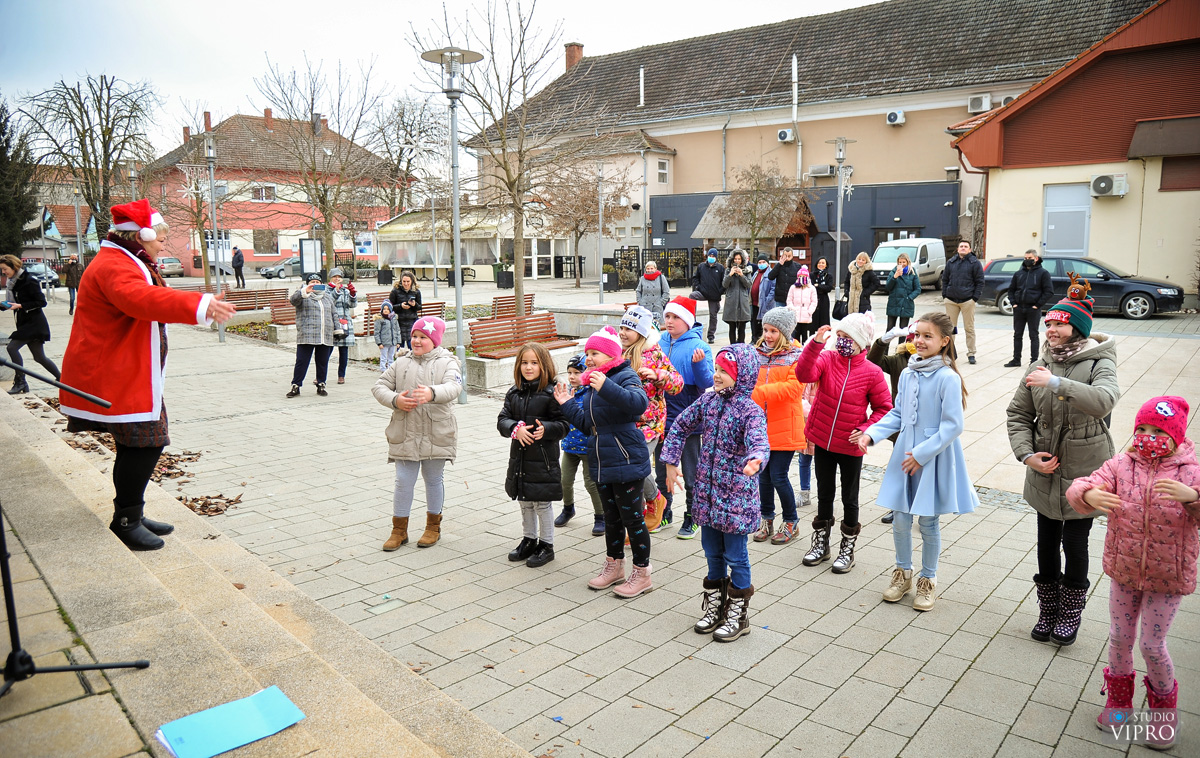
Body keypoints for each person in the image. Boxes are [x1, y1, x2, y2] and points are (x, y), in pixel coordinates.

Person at [58, 199, 236, 550]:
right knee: (146, 443)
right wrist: (199, 305)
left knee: (137, 443)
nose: (162, 244)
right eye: (158, 238)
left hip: (127, 371)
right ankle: (125, 519)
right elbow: (140, 299)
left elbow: (149, 296)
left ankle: (132, 512)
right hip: (118, 373)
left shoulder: (125, 258)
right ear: (140, 236)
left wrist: (195, 305)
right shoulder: (114, 264)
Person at [1066, 396, 1199, 749]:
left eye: (1157, 430)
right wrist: (1089, 495)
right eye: (1141, 428)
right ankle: (1119, 707)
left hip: (1167, 578)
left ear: (1175, 435)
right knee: (1120, 638)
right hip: (1124, 571)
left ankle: (1162, 718)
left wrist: (1193, 497)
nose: (1146, 436)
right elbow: (1082, 484)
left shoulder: (1190, 469)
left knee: (1152, 645)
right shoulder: (1122, 464)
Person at [1006, 296, 1118, 646]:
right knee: (1046, 541)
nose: (1051, 330)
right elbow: (1018, 414)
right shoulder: (1039, 363)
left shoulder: (1100, 360)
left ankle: (1070, 612)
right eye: (1049, 324)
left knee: (1075, 541)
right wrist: (1027, 455)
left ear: (1077, 328)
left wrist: (1056, 384)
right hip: (1045, 467)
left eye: (1059, 324)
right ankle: (1048, 608)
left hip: (1086, 467)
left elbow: (1104, 400)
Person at [860, 313, 979, 612]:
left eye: (928, 336)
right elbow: (898, 414)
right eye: (916, 335)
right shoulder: (909, 372)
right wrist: (870, 434)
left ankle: (928, 579)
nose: (920, 341)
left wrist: (922, 455)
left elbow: (953, 425)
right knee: (900, 517)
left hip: (932, 457)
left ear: (944, 341)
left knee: (927, 520)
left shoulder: (947, 378)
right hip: (905, 455)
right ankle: (902, 573)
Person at [663, 342, 769, 641]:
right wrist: (671, 461)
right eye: (717, 369)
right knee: (711, 551)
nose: (717, 376)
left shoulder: (750, 411)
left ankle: (738, 612)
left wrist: (756, 459)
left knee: (736, 556)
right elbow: (680, 425)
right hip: (707, 498)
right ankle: (715, 604)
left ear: (744, 375)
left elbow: (759, 441)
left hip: (736, 500)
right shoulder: (708, 401)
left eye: (725, 371)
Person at [554, 327, 654, 597]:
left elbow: (638, 404)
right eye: (587, 353)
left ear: (610, 355)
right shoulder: (590, 383)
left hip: (626, 457)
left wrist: (606, 386)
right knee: (611, 519)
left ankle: (642, 573)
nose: (589, 358)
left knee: (633, 520)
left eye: (594, 353)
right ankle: (614, 566)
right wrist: (567, 404)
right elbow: (589, 425)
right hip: (601, 457)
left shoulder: (624, 375)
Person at [794, 312, 892, 573]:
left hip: (850, 446)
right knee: (824, 494)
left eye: (847, 337)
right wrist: (814, 345)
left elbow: (884, 408)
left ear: (861, 342)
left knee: (850, 498)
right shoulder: (826, 358)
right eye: (839, 336)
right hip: (823, 440)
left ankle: (847, 548)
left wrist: (865, 429)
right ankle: (821, 544)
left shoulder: (872, 372)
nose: (841, 341)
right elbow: (803, 374)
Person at [371, 316, 460, 550]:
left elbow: (454, 386)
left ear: (435, 340)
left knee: (433, 480)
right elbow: (379, 386)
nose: (417, 341)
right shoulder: (401, 363)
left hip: (436, 432)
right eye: (414, 336)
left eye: (423, 337)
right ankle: (399, 530)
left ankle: (433, 527)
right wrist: (395, 399)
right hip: (405, 431)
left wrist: (432, 393)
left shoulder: (448, 362)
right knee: (403, 481)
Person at [499, 343, 568, 568]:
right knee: (524, 501)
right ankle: (529, 539)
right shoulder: (514, 392)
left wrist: (546, 429)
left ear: (544, 365)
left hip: (543, 460)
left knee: (542, 503)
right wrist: (514, 428)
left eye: (534, 363)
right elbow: (502, 419)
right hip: (520, 459)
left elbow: (564, 424)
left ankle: (546, 544)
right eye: (524, 363)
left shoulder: (552, 393)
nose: (528, 367)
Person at [617, 306, 681, 532]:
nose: (623, 333)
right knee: (626, 474)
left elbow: (677, 383)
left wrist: (659, 376)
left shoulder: (653, 354)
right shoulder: (616, 352)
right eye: (622, 327)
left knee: (636, 465)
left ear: (642, 333)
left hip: (649, 424)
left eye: (629, 329)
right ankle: (635, 522)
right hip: (622, 423)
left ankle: (656, 499)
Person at [654, 296, 713, 538]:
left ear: (687, 321)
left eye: (675, 317)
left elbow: (707, 381)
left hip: (688, 418)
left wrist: (698, 365)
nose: (669, 321)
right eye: (667, 316)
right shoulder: (657, 342)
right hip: (661, 417)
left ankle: (693, 515)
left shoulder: (699, 346)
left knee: (691, 472)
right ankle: (664, 511)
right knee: (660, 470)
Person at [752, 306, 807, 546]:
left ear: (784, 332)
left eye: (774, 330)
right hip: (759, 426)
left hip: (785, 425)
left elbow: (795, 388)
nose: (769, 335)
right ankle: (766, 518)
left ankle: (791, 521)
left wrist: (759, 393)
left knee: (778, 476)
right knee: (762, 476)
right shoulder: (757, 353)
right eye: (766, 330)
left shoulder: (797, 355)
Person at [866, 323, 921, 525]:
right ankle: (898, 506)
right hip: (902, 424)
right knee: (901, 466)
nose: (916, 343)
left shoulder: (936, 362)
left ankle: (925, 508)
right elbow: (873, 361)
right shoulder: (899, 361)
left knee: (923, 466)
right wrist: (883, 340)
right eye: (913, 339)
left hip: (924, 425)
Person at [555, 354, 604, 535]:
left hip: (588, 447)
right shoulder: (566, 392)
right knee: (564, 481)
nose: (572, 377)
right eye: (569, 372)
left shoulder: (591, 394)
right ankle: (568, 509)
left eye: (577, 372)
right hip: (569, 446)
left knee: (590, 483)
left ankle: (600, 516)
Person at [0, 255, 60, 395]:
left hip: (34, 324)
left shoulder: (29, 281)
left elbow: (41, 302)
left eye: (5, 269)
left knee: (12, 347)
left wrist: (20, 305)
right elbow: (13, 304)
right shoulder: (13, 282)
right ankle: (62, 379)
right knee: (39, 357)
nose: (3, 272)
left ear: (14, 267)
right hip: (25, 323)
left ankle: (21, 382)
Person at [287, 273, 337, 398]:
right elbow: (293, 300)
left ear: (321, 284)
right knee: (302, 361)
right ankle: (296, 386)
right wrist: (305, 291)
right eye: (312, 282)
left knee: (322, 362)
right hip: (307, 335)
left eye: (317, 282)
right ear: (308, 283)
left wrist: (338, 330)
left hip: (324, 335)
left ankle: (321, 384)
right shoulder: (302, 295)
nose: (315, 284)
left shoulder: (327, 297)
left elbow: (334, 314)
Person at [1004, 249, 1053, 367]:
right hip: (1019, 308)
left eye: (1029, 258)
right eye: (1025, 258)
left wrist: (1037, 305)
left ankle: (1034, 361)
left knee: (1033, 335)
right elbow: (1011, 290)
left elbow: (1049, 291)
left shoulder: (1043, 273)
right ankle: (1016, 359)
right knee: (1017, 334)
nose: (1027, 260)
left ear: (1036, 259)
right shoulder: (1019, 273)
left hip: (1033, 309)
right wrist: (1014, 303)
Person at [941, 240, 984, 365]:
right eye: (961, 246)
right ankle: (950, 353)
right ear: (958, 249)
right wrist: (945, 295)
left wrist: (974, 298)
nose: (963, 248)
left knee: (969, 328)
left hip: (967, 301)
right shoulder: (951, 262)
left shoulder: (975, 263)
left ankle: (971, 353)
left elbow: (980, 282)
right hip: (951, 300)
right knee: (950, 329)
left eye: (966, 246)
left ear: (970, 249)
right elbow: (945, 279)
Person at [328, 267, 357, 384]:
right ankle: (320, 375)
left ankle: (341, 375)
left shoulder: (345, 290)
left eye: (339, 277)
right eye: (335, 277)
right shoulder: (327, 289)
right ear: (331, 278)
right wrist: (337, 290)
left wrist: (353, 294)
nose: (337, 279)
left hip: (344, 323)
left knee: (344, 352)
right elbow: (329, 302)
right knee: (326, 351)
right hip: (332, 323)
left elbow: (352, 305)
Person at [691, 248, 725, 344]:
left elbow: (724, 281)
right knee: (692, 296)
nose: (711, 258)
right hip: (702, 292)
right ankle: (693, 321)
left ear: (716, 257)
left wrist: (720, 291)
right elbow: (695, 278)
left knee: (713, 315)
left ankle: (711, 335)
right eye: (710, 256)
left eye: (713, 256)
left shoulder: (720, 268)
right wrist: (698, 287)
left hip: (714, 295)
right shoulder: (701, 266)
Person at [884, 253, 921, 331]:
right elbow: (888, 287)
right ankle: (885, 343)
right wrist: (895, 277)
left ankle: (901, 343)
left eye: (904, 262)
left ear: (907, 262)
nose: (902, 264)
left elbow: (918, 289)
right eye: (900, 262)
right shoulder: (894, 271)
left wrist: (909, 298)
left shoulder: (912, 273)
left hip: (906, 304)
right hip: (894, 303)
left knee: (903, 330)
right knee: (890, 329)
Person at [721, 251, 752, 344]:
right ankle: (732, 346)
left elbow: (749, 284)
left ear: (742, 260)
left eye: (739, 259)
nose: (737, 261)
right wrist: (730, 275)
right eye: (735, 259)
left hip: (742, 301)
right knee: (732, 327)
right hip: (731, 301)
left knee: (742, 328)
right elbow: (724, 284)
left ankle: (741, 347)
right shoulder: (727, 270)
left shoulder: (747, 270)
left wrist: (742, 275)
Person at [389, 271, 422, 350]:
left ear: (412, 281)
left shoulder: (416, 291)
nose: (406, 284)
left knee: (412, 346)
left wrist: (414, 305)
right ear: (401, 281)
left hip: (412, 321)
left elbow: (420, 307)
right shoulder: (395, 291)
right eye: (404, 281)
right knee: (400, 346)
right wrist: (401, 306)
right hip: (399, 322)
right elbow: (389, 307)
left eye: (408, 281)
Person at [786, 265, 818, 343]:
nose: (802, 278)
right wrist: (793, 310)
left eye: (804, 276)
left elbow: (814, 302)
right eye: (800, 276)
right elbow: (789, 300)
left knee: (805, 335)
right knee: (795, 336)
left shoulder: (811, 288)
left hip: (806, 316)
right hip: (795, 315)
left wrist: (809, 311)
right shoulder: (793, 287)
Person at [750, 253, 773, 344]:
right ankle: (754, 339)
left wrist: (767, 300)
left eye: (763, 262)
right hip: (754, 303)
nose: (761, 263)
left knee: (763, 323)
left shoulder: (770, 273)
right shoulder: (756, 273)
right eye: (759, 262)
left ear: (767, 263)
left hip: (764, 304)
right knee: (754, 322)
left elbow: (773, 289)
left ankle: (762, 341)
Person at [768, 247, 800, 312]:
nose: (787, 258)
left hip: (793, 299)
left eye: (789, 256)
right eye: (785, 256)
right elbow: (770, 277)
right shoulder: (778, 266)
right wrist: (779, 264)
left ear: (792, 256)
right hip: (780, 298)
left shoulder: (797, 266)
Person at [374, 301, 402, 372]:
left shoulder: (394, 319)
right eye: (384, 309)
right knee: (384, 357)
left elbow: (397, 330)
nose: (385, 310)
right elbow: (377, 332)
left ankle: (391, 369)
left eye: (387, 309)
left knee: (391, 356)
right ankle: (383, 369)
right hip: (384, 342)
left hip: (393, 342)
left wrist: (398, 341)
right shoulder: (380, 319)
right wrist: (379, 343)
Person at [811, 256, 833, 330]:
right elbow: (811, 286)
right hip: (813, 299)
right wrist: (822, 287)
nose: (821, 264)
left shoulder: (829, 276)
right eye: (819, 263)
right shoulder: (812, 275)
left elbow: (829, 288)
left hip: (824, 300)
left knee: (824, 321)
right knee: (813, 322)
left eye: (823, 263)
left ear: (826, 265)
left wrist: (818, 286)